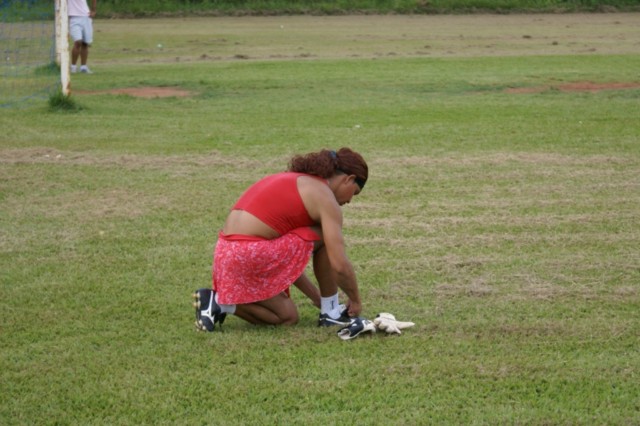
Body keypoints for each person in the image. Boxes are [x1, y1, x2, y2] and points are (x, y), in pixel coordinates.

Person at [193, 148, 368, 331]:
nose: (349, 201)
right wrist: (355, 300)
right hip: (251, 253)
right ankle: (331, 313)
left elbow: (286, 261)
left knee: (286, 317)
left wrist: (316, 297)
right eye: (354, 193)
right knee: (325, 235)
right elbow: (339, 264)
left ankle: (218, 303)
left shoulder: (292, 180)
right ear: (348, 179)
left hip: (226, 255)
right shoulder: (323, 196)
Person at [68, 0, 97, 74]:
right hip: (74, 18)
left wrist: (93, 10)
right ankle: (73, 67)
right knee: (78, 42)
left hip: (86, 16)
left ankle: (83, 67)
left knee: (85, 43)